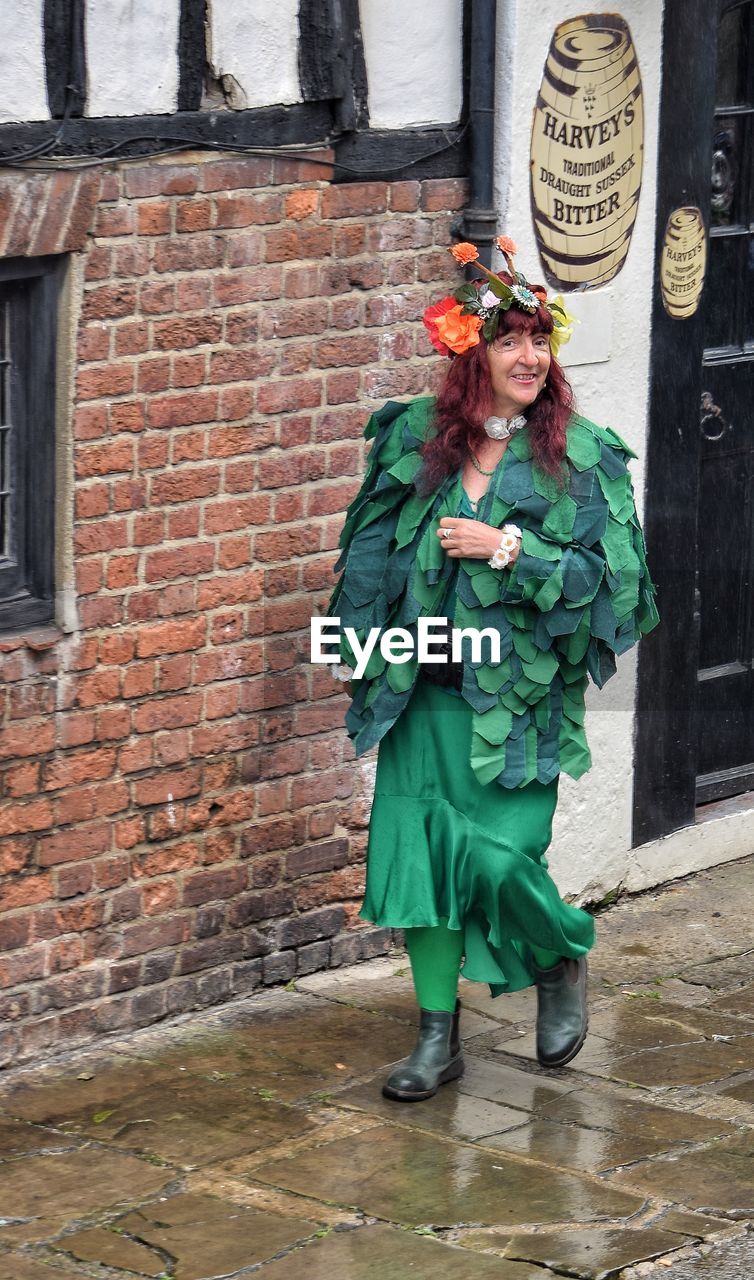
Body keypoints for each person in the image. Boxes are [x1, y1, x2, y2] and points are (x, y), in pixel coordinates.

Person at [321, 235, 659, 1102]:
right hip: (421, 689)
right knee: (420, 868)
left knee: (495, 862)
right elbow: (367, 557)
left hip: (516, 707)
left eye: (539, 339)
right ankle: (437, 1039)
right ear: (470, 354)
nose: (528, 356)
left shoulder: (580, 460)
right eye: (508, 339)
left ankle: (558, 953)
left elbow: (613, 591)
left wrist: (513, 548)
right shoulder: (412, 441)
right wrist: (360, 650)